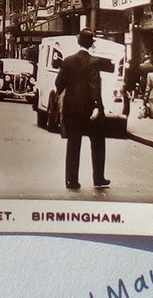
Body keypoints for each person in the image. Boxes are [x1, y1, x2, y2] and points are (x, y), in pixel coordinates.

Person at [55, 28, 109, 190]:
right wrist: (97, 107)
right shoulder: (95, 62)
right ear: (91, 44)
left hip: (72, 109)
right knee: (98, 142)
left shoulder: (68, 61)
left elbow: (59, 84)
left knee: (73, 144)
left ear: (78, 42)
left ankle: (72, 181)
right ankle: (98, 179)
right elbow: (94, 86)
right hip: (90, 109)